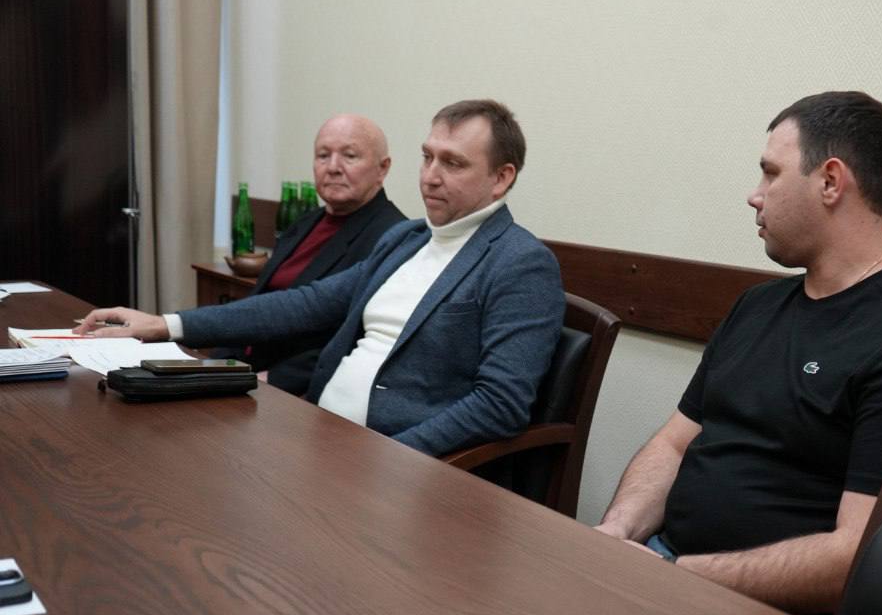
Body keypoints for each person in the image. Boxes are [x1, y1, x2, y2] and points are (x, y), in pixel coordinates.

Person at [595, 91, 882, 615]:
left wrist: (677, 576)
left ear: (830, 182)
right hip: (666, 572)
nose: (754, 196)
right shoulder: (757, 306)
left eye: (770, 174)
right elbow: (674, 445)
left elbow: (858, 556)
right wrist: (617, 533)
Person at [78, 100, 565, 456]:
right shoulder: (407, 239)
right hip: (317, 430)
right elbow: (305, 303)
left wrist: (394, 458)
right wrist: (164, 325)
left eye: (453, 163)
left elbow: (500, 404)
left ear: (501, 178)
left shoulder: (520, 263)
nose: (430, 176)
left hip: (393, 461)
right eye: (427, 156)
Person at [214, 114, 407, 395]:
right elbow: (259, 301)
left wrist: (272, 380)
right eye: (323, 155)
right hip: (241, 370)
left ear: (383, 168)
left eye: (350, 156)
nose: (333, 167)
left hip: (295, 389)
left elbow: (354, 339)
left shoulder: (392, 237)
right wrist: (217, 363)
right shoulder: (305, 223)